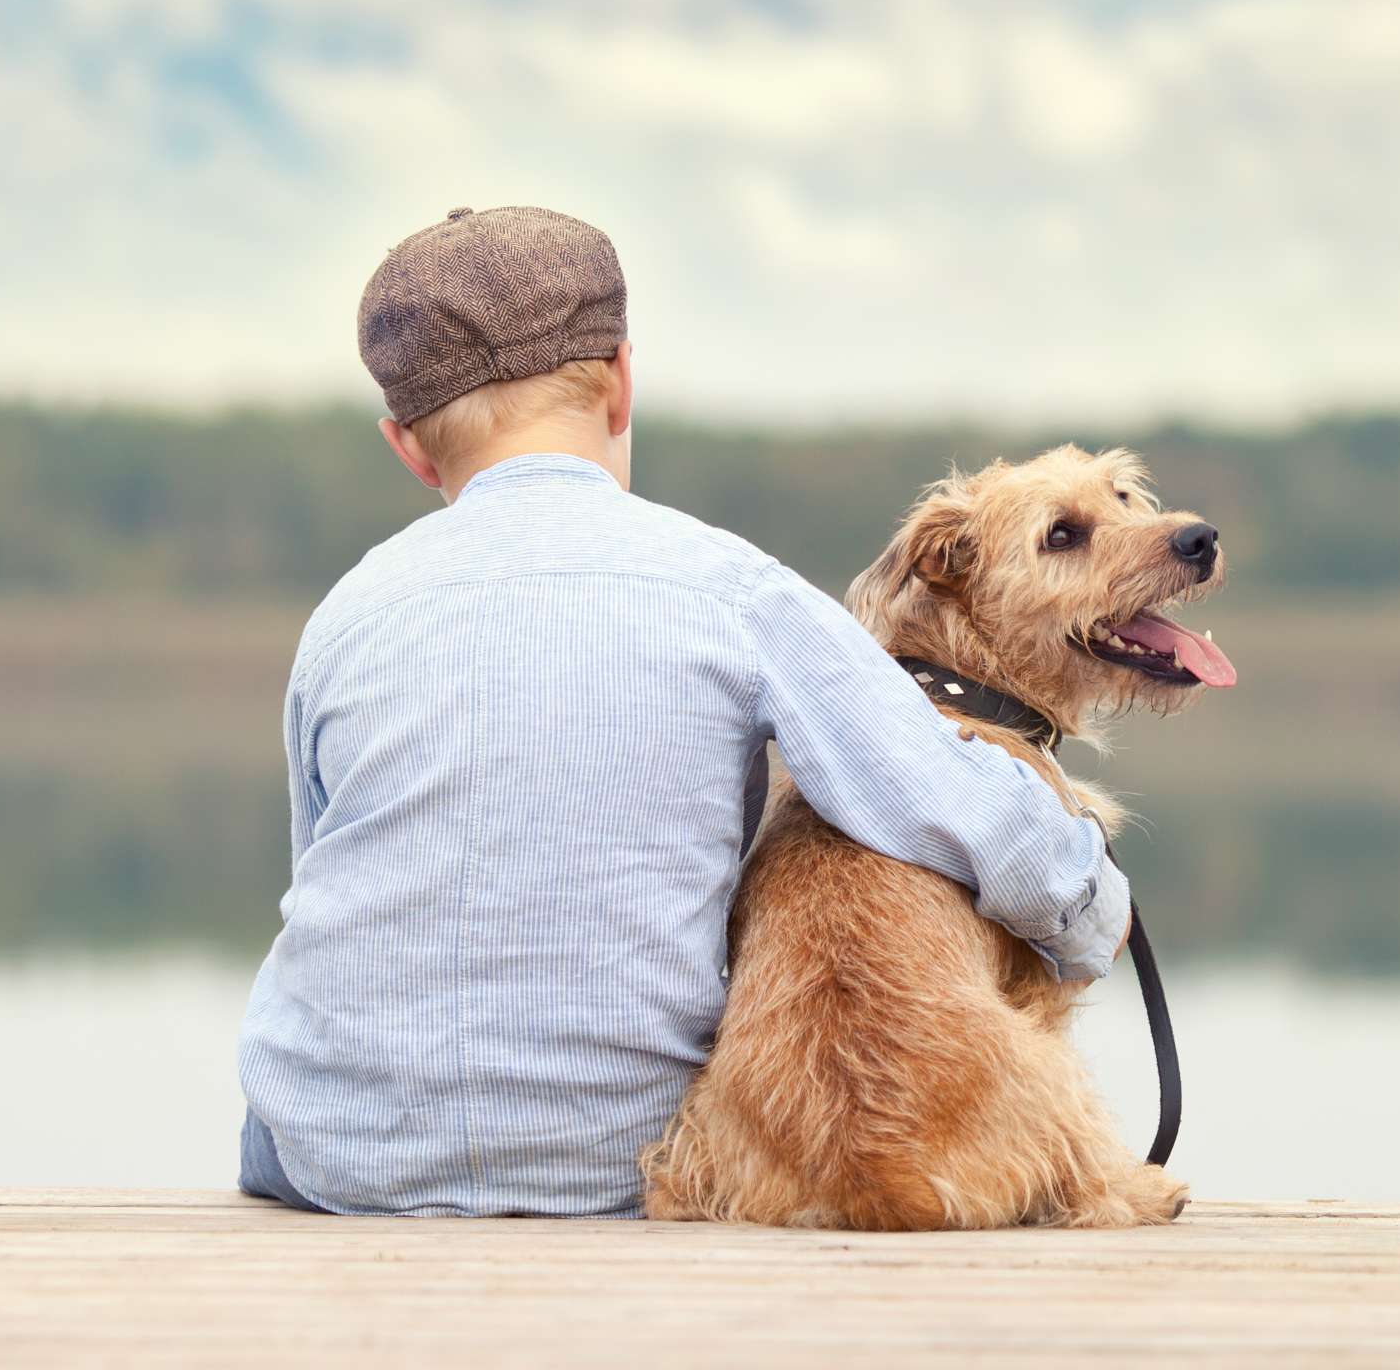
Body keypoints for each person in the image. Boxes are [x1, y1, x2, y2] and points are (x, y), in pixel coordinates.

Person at [235, 205, 1127, 1216]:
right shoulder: (733, 592)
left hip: (341, 1154)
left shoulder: (346, 616)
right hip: (613, 1159)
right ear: (619, 378)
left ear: (405, 442)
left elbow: (323, 875)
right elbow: (940, 793)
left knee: (281, 1092)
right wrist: (1092, 909)